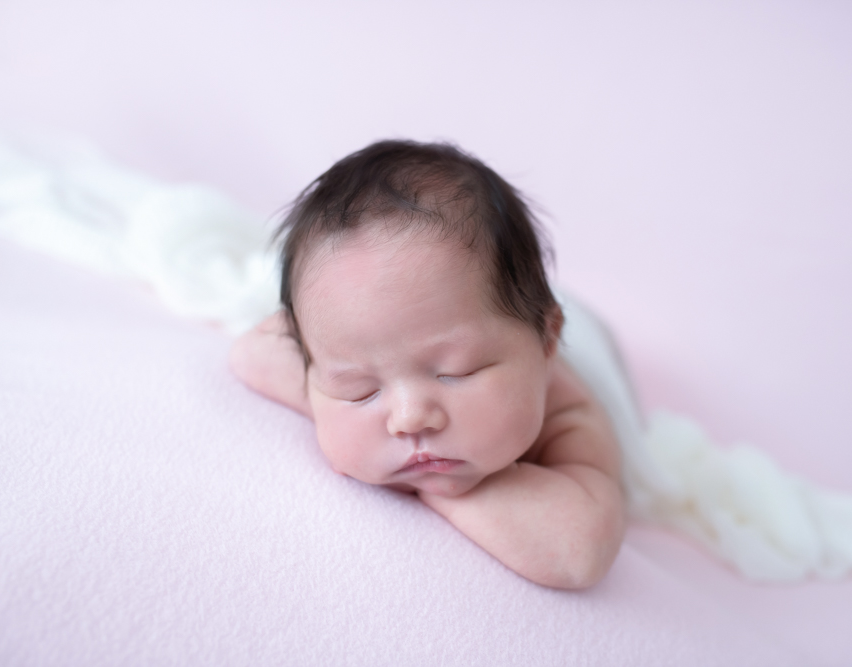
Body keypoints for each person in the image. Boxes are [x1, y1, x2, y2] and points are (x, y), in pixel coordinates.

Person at [229, 141, 625, 589]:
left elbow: (576, 552)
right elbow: (253, 353)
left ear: (547, 339)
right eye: (359, 390)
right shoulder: (336, 339)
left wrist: (416, 481)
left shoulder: (570, 413)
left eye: (456, 372)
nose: (409, 418)